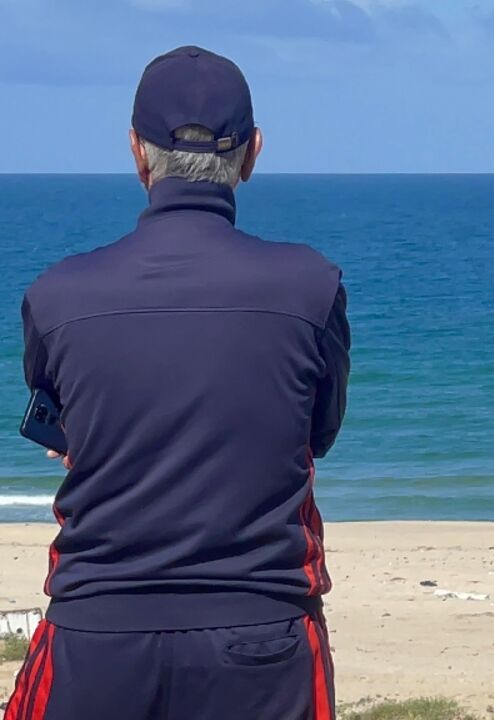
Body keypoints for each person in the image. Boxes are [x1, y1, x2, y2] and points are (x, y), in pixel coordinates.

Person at [5, 47, 350, 720]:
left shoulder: (56, 295)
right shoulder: (313, 287)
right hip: (262, 633)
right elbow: (319, 432)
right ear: (252, 154)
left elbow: (65, 424)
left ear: (137, 153)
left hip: (95, 636)